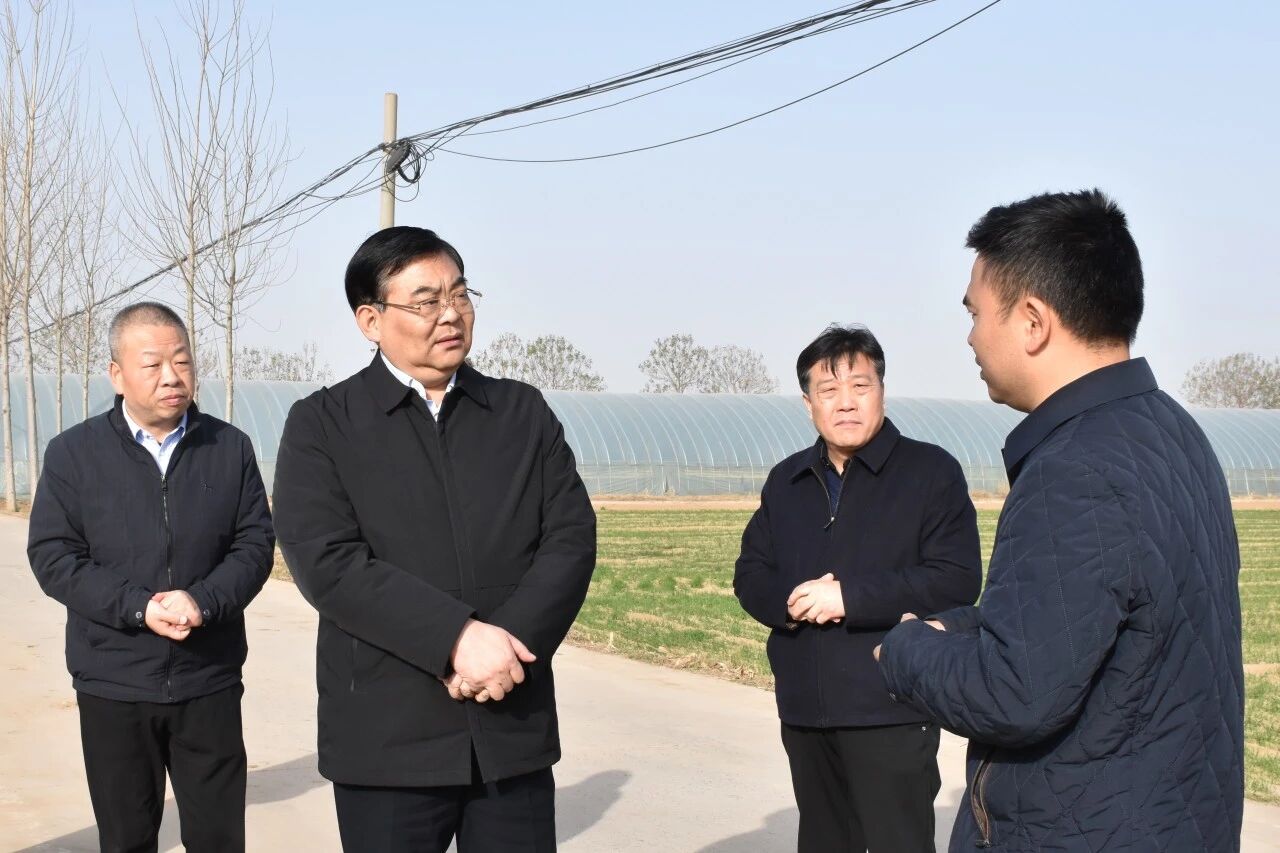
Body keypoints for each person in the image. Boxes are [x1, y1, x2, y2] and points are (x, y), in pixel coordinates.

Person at [877, 189, 1244, 851]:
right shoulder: (1173, 432)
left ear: (1032, 321)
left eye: (975, 312)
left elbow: (1014, 692)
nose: (970, 336)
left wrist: (905, 649)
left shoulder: (1074, 468)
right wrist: (958, 627)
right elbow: (1079, 622)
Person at [272, 225, 596, 853]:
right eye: (425, 301)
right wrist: (456, 639)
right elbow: (329, 564)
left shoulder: (520, 412)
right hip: (388, 738)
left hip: (510, 722)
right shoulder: (323, 424)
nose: (450, 314)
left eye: (459, 294)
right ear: (370, 320)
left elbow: (570, 538)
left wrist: (505, 649)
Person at [27, 301, 275, 853]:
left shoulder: (229, 447)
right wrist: (139, 607)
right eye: (153, 364)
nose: (171, 376)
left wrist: (202, 601)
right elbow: (54, 556)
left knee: (218, 838)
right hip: (113, 683)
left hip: (208, 678)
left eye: (182, 361)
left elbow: (255, 543)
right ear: (117, 374)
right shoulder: (73, 454)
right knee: (126, 837)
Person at [733, 324, 982, 852]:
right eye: (828, 390)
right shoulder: (787, 480)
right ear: (809, 404)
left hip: (890, 706)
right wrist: (793, 604)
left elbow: (956, 578)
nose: (845, 402)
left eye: (860, 386)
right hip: (805, 711)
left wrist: (848, 598)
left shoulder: (929, 472)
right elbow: (750, 574)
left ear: (881, 392)